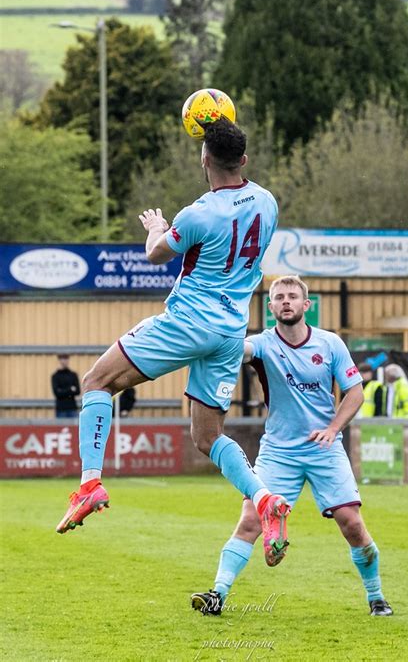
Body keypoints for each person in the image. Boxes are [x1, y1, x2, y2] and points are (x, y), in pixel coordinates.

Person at [56, 117, 290, 563]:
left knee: (96, 382)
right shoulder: (267, 202)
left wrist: (155, 227)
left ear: (203, 157)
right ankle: (266, 502)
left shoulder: (198, 214)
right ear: (243, 159)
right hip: (229, 332)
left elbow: (157, 253)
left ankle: (89, 484)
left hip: (188, 322)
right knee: (207, 437)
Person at [191, 276, 393, 618]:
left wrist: (333, 428)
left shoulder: (330, 344)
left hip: (324, 450)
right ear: (271, 308)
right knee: (251, 520)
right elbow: (237, 350)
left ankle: (377, 597)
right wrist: (205, 335)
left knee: (352, 524)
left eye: (293, 296)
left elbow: (355, 392)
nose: (286, 301)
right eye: (279, 297)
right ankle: (217, 594)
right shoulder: (263, 344)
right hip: (279, 451)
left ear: (305, 305)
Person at [51, 354, 80, 419]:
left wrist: (62, 391)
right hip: (61, 409)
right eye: (62, 359)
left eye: (66, 359)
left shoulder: (73, 375)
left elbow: (78, 391)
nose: (64, 361)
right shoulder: (55, 376)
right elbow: (57, 393)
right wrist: (70, 389)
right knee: (61, 428)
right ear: (59, 360)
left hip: (72, 408)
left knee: (74, 428)